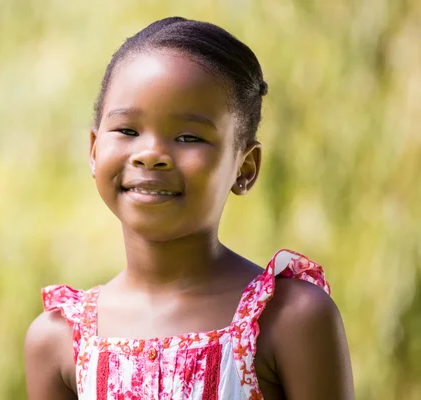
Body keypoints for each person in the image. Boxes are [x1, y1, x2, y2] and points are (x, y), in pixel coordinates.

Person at [24, 16, 354, 400]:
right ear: (94, 150)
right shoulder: (58, 339)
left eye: (188, 137)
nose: (150, 155)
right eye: (128, 131)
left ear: (244, 168)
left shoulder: (290, 319)